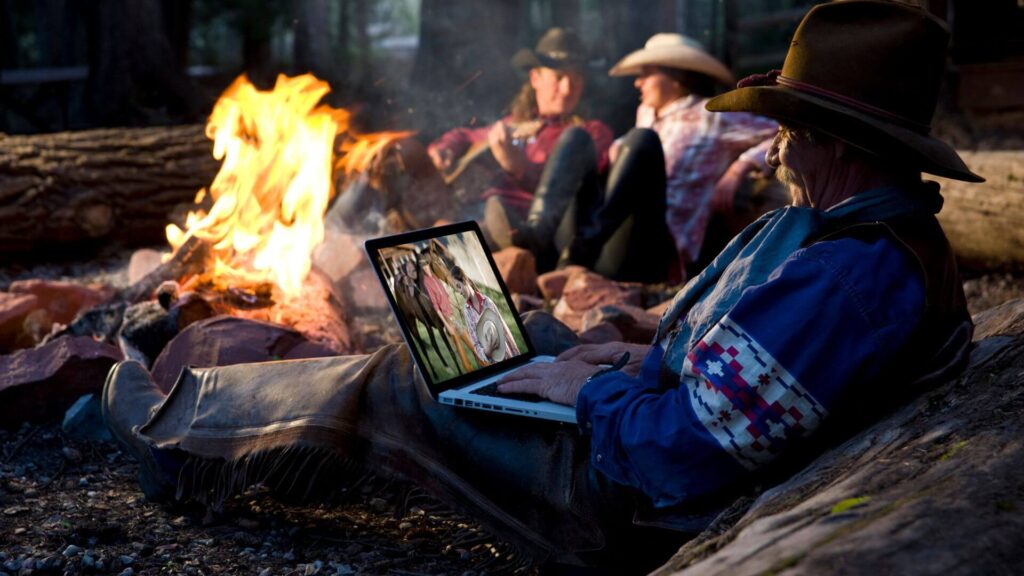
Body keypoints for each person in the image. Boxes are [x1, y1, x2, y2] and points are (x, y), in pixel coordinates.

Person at [102, 2, 981, 572]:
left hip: (619, 498)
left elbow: (686, 452)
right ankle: (278, 437)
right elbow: (749, 372)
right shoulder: (867, 231)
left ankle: (174, 431)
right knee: (509, 332)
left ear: (842, 142)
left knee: (411, 377)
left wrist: (591, 387)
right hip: (641, 422)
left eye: (794, 127)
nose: (779, 146)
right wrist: (639, 336)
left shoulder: (851, 277)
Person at [608, 33, 778, 275]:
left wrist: (740, 167)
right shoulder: (645, 116)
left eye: (647, 73)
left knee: (641, 141)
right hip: (622, 229)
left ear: (676, 77)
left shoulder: (711, 115)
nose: (638, 82)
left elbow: (779, 133)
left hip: (662, 245)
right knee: (582, 140)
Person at [450, 266, 521, 364]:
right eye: (456, 289)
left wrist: (516, 354)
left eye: (458, 286)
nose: (459, 291)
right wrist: (486, 352)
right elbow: (475, 343)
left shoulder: (487, 302)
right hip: (494, 360)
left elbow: (504, 330)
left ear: (465, 280)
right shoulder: (467, 311)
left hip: (506, 352)